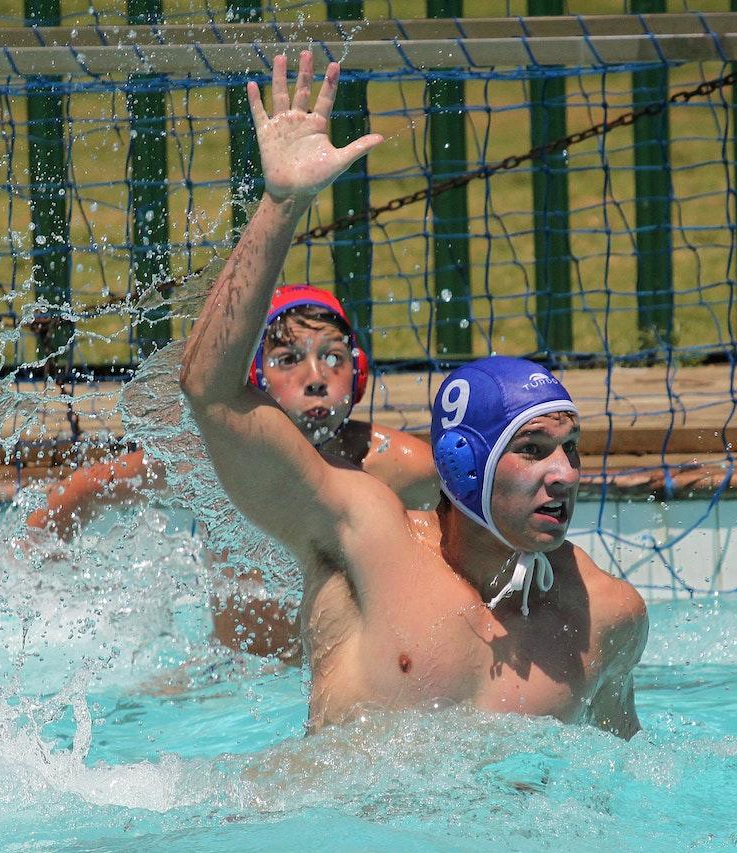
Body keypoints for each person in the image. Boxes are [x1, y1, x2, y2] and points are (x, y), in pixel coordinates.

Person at [178, 51, 647, 735]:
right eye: (535, 449)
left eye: (569, 448)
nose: (565, 474)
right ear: (463, 460)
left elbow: (623, 787)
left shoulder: (608, 614)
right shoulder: (366, 538)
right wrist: (282, 204)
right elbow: (210, 393)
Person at [26, 284, 439, 662]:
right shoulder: (211, 457)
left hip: (335, 680)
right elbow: (92, 487)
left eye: (333, 357)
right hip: (229, 680)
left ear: (358, 373)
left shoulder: (391, 464)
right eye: (289, 359)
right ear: (255, 378)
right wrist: (38, 566)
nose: (316, 378)